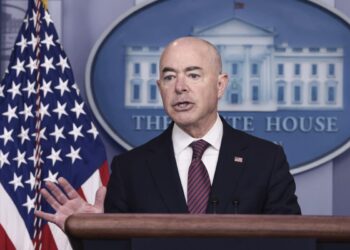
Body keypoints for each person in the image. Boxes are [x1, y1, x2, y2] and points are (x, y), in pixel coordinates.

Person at [35, 36, 301, 231]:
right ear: (159, 87)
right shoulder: (131, 168)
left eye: (194, 75)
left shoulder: (266, 160)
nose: (180, 87)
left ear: (220, 85)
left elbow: (292, 242)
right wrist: (93, 232)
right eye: (170, 77)